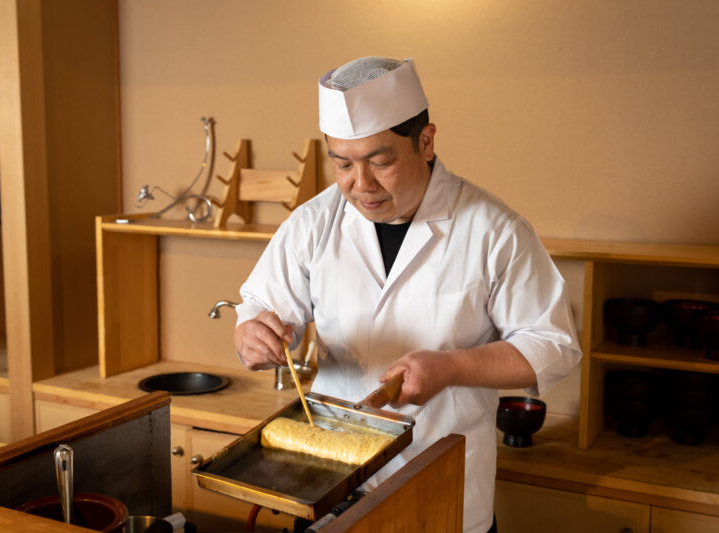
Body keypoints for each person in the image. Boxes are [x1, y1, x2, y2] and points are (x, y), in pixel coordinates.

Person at [233, 56, 581, 533]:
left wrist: (451, 367)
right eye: (342, 163)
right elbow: (261, 308)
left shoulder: (494, 230)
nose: (360, 185)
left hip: (442, 495)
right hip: (331, 484)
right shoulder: (314, 222)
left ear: (426, 142)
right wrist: (252, 335)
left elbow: (554, 346)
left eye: (380, 162)